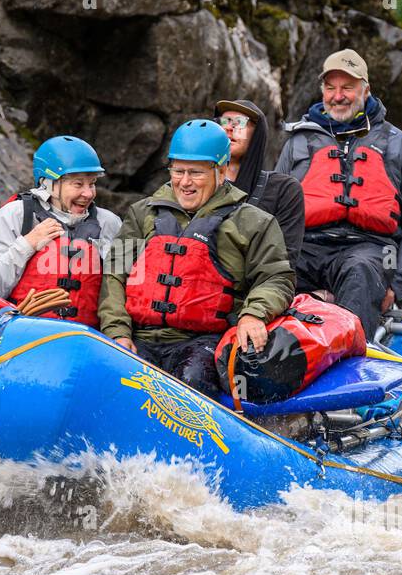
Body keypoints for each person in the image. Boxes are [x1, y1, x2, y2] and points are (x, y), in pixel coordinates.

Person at [98, 119, 295, 396]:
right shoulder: (141, 213)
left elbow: (276, 278)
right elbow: (114, 274)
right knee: (111, 384)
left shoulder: (255, 222)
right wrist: (117, 332)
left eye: (196, 173)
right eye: (178, 171)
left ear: (222, 170)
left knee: (190, 381)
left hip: (204, 342)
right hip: (139, 337)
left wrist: (253, 314)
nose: (185, 182)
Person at [275, 49, 402, 339]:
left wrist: (399, 284)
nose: (338, 96)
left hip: (372, 248)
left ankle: (348, 353)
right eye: (331, 88)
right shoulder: (298, 142)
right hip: (305, 245)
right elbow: (274, 215)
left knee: (359, 270)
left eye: (348, 87)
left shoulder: (398, 145)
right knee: (275, 275)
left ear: (366, 89)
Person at [0, 135, 122, 327]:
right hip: (22, 334)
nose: (88, 193)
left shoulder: (110, 223)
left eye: (92, 183)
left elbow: (124, 293)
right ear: (49, 184)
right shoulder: (15, 215)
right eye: (78, 184)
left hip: (85, 338)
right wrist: (26, 244)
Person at [214, 99, 304, 261]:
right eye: (224, 121)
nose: (228, 127)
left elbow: (284, 259)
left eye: (239, 122)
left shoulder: (283, 190)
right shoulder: (196, 184)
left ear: (257, 134)